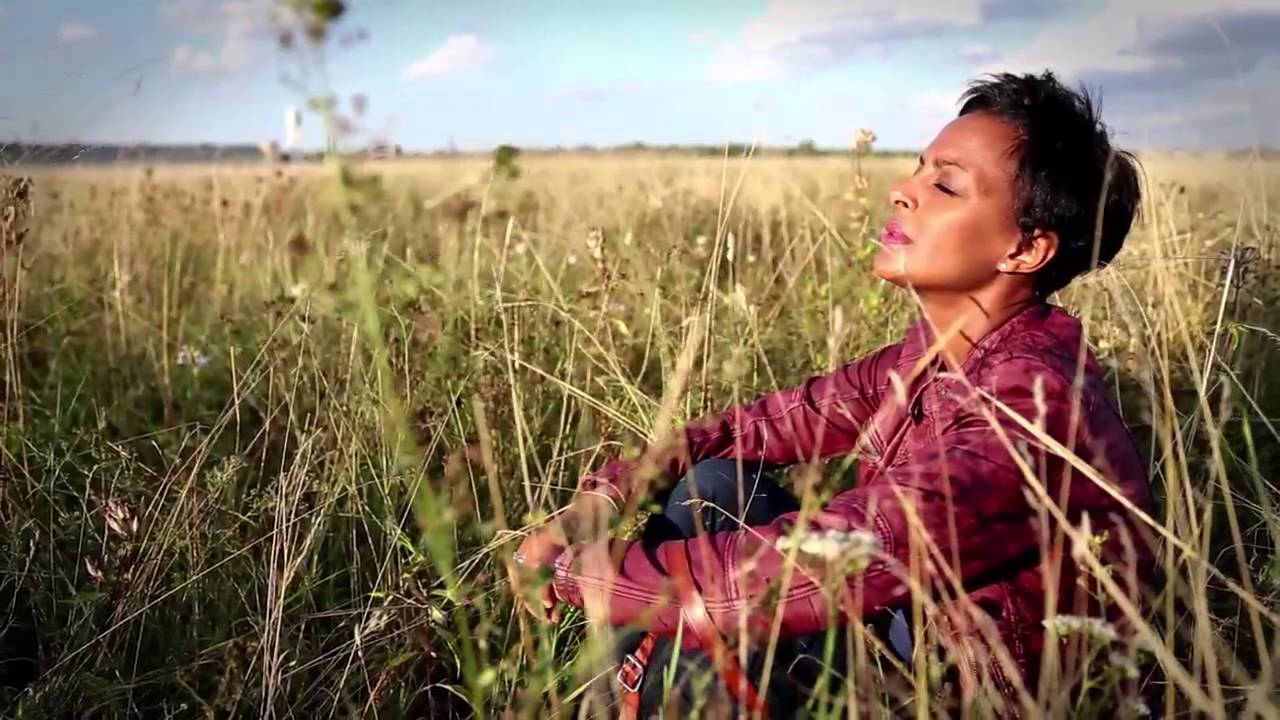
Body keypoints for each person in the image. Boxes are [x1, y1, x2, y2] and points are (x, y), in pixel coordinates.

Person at [511, 70, 1157, 718]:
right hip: (900, 637)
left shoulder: (1033, 408)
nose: (903, 192)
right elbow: (748, 428)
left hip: (966, 694)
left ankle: (646, 686)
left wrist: (581, 575)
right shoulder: (928, 359)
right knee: (718, 485)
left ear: (1025, 247)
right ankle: (648, 681)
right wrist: (600, 503)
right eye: (918, 168)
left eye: (945, 185)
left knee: (721, 617)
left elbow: (835, 562)